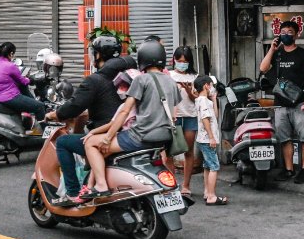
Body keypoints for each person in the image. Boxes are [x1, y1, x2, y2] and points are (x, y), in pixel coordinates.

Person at [83, 41, 182, 198]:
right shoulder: (171, 82)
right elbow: (174, 111)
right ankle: (94, 184)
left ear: (143, 59)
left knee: (91, 143)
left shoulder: (141, 80)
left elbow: (124, 112)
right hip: (164, 137)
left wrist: (107, 138)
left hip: (140, 135)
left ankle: (101, 185)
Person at [45, 36, 133, 205]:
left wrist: (55, 114)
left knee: (63, 142)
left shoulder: (95, 80)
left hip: (107, 134)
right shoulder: (129, 77)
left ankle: (72, 193)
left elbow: (74, 106)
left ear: (98, 55)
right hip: (129, 132)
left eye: (94, 53)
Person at [259, 20, 304, 184]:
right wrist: (271, 49)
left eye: (290, 32)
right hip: (280, 103)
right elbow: (263, 68)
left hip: (299, 103)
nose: (286, 35)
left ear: (297, 34)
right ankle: (289, 169)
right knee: (284, 138)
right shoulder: (277, 54)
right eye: (283, 32)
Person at [0, 42, 46, 122]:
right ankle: (45, 132)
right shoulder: (10, 65)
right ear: (11, 53)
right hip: (7, 97)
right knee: (39, 106)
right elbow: (23, 82)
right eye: (13, 54)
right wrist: (31, 79)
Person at [194, 76, 228, 206]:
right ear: (206, 86)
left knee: (207, 166)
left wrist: (214, 99)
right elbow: (205, 119)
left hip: (204, 139)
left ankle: (207, 192)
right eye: (211, 85)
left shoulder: (203, 101)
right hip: (207, 139)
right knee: (214, 166)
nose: (213, 88)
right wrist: (211, 137)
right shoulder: (203, 101)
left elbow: (215, 116)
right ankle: (211, 196)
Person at [170, 46, 199, 196]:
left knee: (188, 151)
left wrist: (188, 90)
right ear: (174, 60)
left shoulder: (195, 77)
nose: (182, 64)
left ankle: (186, 185)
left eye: (185, 61)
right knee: (169, 152)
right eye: (179, 61)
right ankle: (171, 184)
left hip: (190, 116)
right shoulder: (168, 75)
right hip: (173, 117)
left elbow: (197, 99)